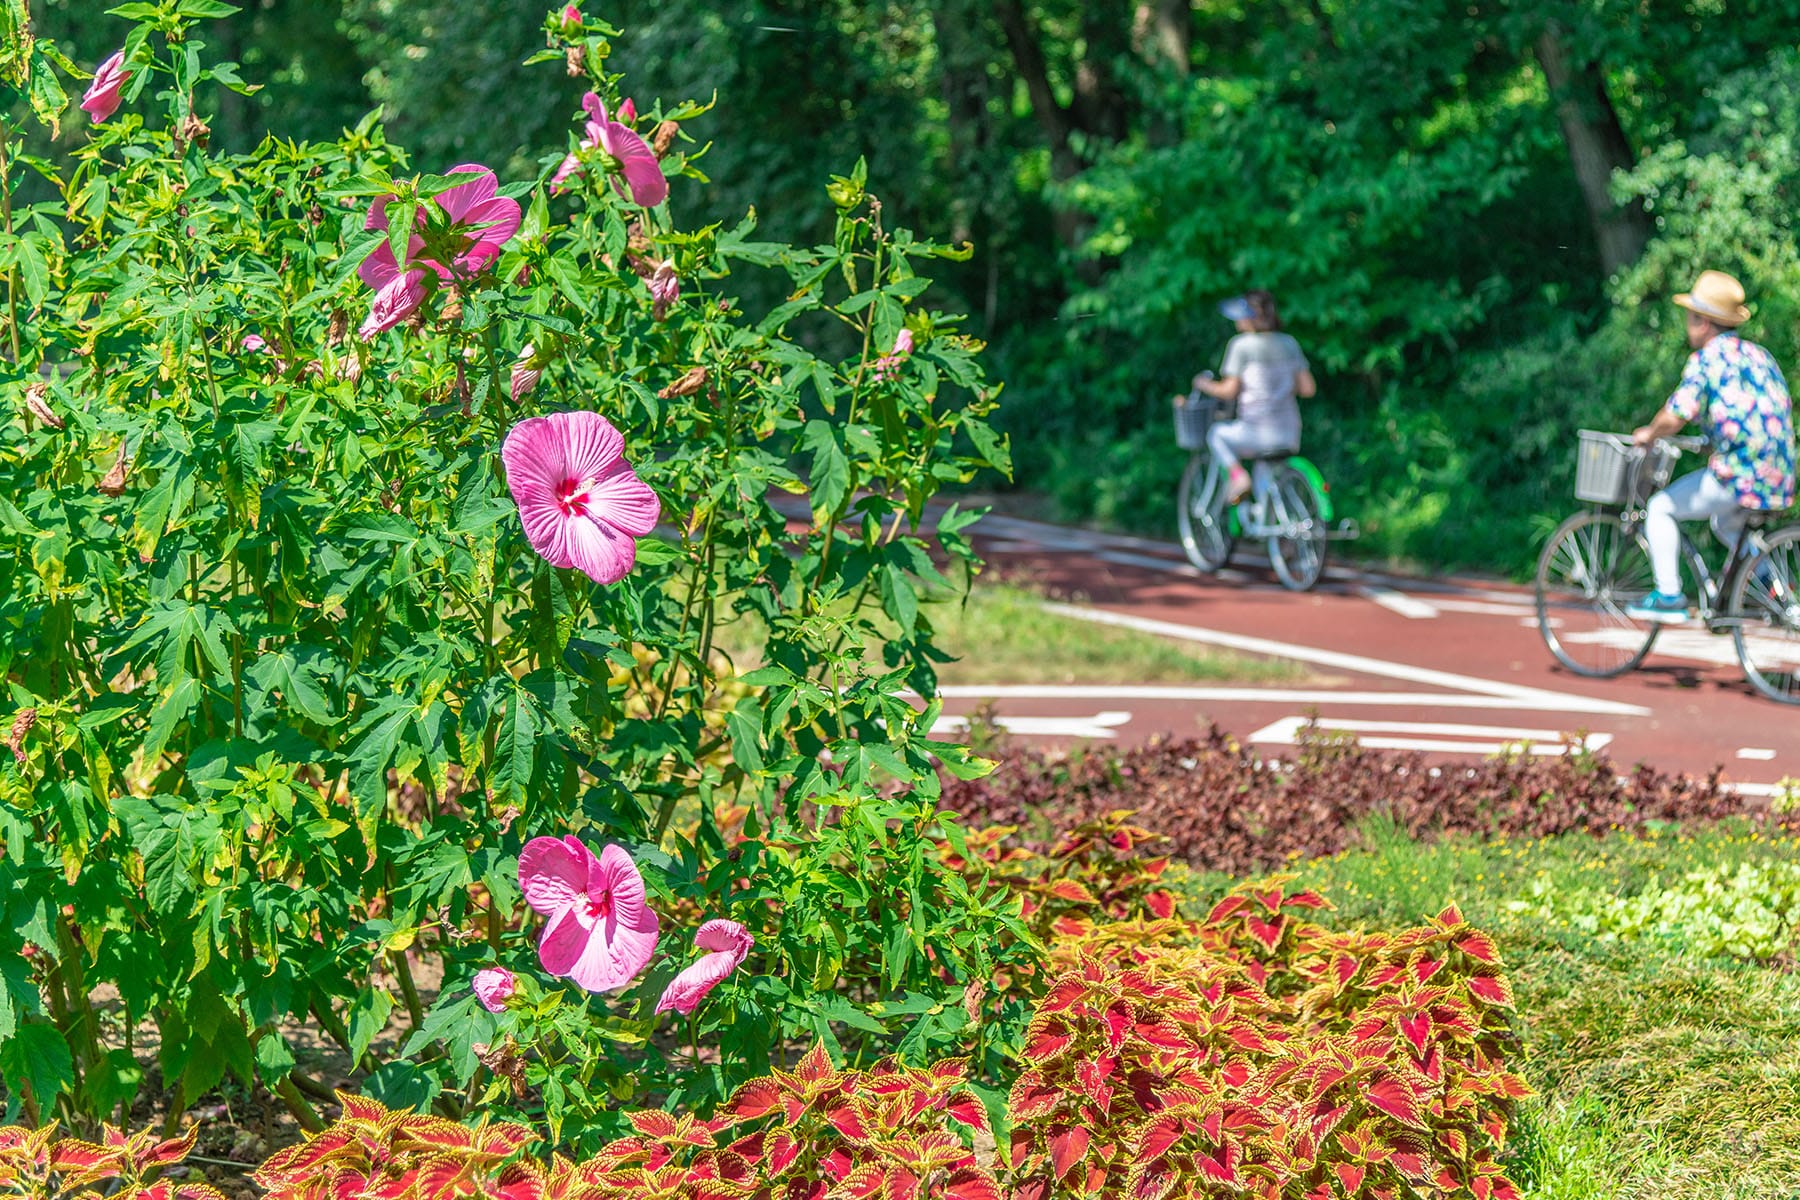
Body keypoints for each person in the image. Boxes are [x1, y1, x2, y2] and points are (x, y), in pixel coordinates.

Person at [1625, 269, 1796, 624]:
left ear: (1703, 322)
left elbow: (1676, 414)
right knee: (1724, 524)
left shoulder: (1707, 359)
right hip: (1781, 474)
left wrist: (1649, 434)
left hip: (1741, 473)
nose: (1687, 323)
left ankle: (1669, 595)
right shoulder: (1759, 356)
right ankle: (1776, 588)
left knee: (1660, 507)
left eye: (1690, 317)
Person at [1191, 290, 1316, 504]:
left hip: (1256, 432)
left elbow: (1229, 391)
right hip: (1289, 432)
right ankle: (1266, 524)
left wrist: (1203, 384)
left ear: (1248, 316)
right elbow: (1308, 388)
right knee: (1265, 475)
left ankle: (1238, 477)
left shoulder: (1241, 345)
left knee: (1215, 434)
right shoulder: (1289, 343)